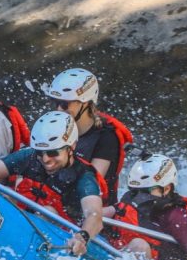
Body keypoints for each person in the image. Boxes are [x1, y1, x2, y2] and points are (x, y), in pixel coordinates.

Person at [0, 111, 106, 257]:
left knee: (48, 212)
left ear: (71, 147)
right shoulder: (29, 156)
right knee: (4, 195)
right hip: (23, 223)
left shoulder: (84, 177)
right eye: (40, 152)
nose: (46, 159)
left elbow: (94, 215)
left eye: (53, 152)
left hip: (60, 238)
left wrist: (81, 238)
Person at [42, 68, 133, 204]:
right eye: (55, 102)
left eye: (65, 104)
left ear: (85, 103)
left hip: (87, 206)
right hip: (52, 199)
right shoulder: (55, 127)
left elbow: (91, 184)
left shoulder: (107, 137)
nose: (59, 109)